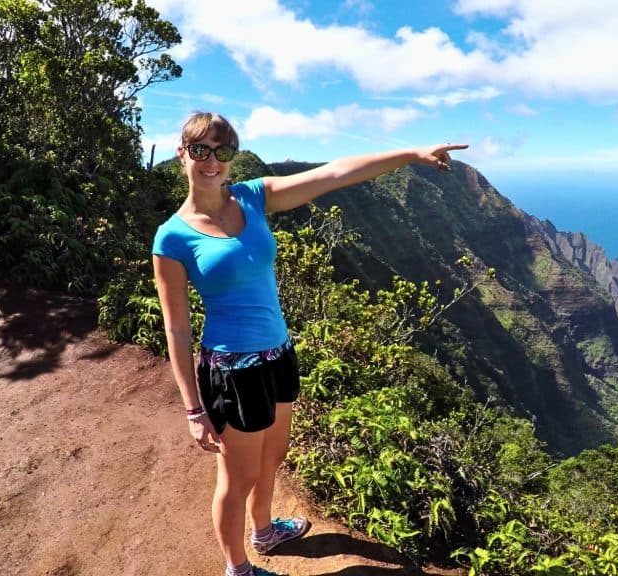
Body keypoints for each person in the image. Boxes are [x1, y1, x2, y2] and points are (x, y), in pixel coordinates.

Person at [152, 111, 467, 576]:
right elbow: (177, 329)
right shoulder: (172, 238)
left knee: (273, 456)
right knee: (236, 479)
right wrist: (194, 410)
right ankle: (238, 569)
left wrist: (409, 155)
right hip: (232, 372)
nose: (212, 161)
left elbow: (334, 174)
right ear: (183, 155)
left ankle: (265, 532)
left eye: (223, 152)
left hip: (279, 355)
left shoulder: (254, 198)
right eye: (201, 150)